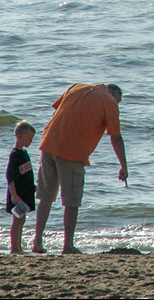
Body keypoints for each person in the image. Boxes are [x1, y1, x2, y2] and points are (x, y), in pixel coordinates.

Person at [31, 83, 128, 255]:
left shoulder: (77, 87)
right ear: (114, 94)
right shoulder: (109, 102)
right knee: (71, 201)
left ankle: (37, 242)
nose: (117, 106)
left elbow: (57, 109)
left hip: (49, 143)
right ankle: (68, 245)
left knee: (46, 196)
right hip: (72, 151)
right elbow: (116, 137)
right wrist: (123, 165)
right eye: (118, 102)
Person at [6, 120, 37, 254]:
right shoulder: (15, 155)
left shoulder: (24, 153)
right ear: (20, 136)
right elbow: (10, 176)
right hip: (17, 194)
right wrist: (13, 194)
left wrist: (33, 187)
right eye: (29, 138)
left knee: (22, 219)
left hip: (25, 192)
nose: (31, 141)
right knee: (17, 220)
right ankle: (14, 248)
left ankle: (19, 247)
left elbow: (26, 173)